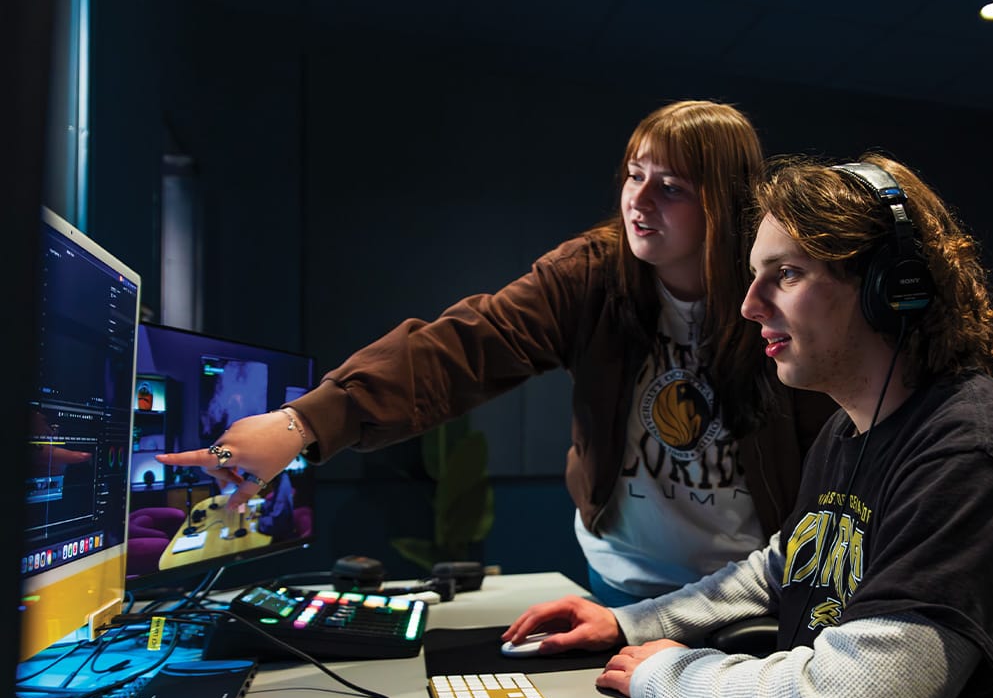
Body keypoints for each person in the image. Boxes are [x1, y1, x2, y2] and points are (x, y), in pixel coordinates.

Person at [502, 154, 993, 698]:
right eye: (755, 276)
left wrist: (666, 673)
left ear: (892, 289)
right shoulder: (848, 430)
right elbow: (780, 569)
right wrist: (627, 622)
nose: (749, 306)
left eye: (785, 274)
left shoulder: (968, 458)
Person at [156, 100, 836, 606]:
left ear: (724, 201)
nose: (640, 201)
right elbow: (464, 347)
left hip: (746, 588)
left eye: (672, 187)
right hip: (623, 581)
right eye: (634, 175)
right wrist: (301, 423)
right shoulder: (593, 273)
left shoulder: (776, 290)